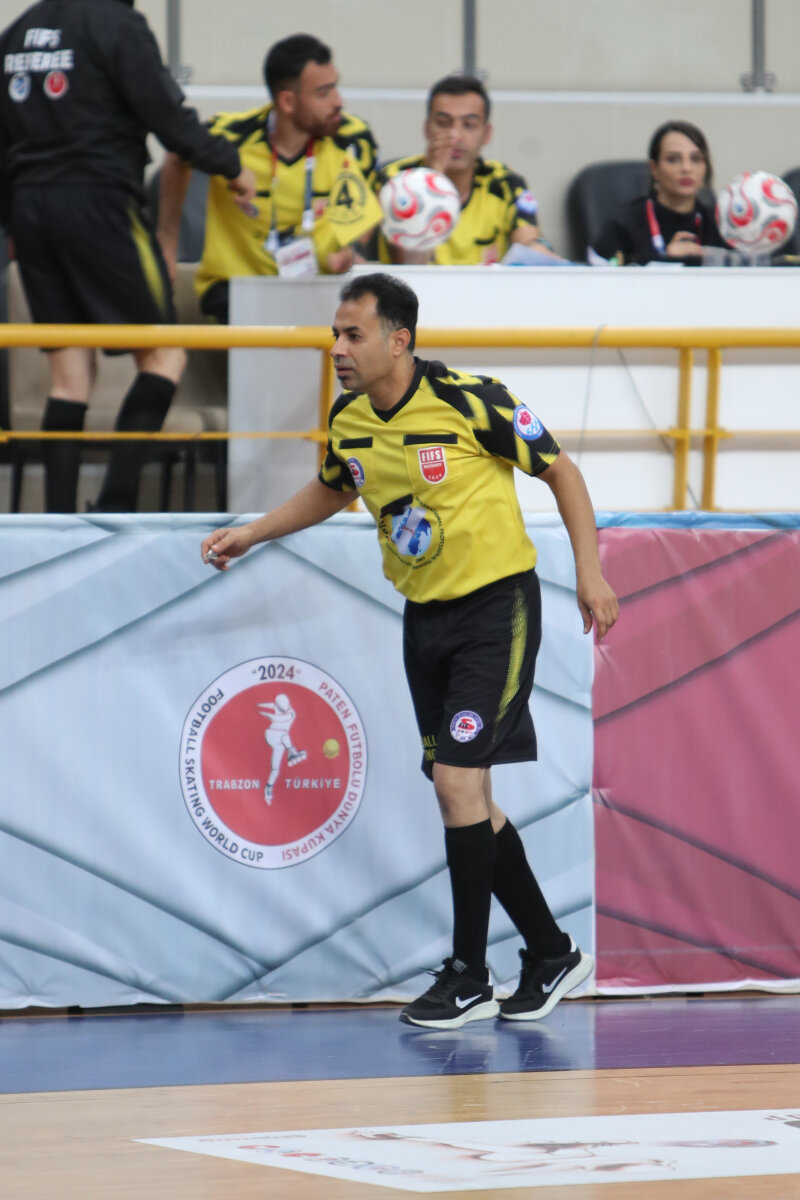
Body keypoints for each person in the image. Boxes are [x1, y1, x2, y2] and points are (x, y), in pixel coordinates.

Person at [201, 272, 619, 1031]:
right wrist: (254, 532)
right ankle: (551, 952)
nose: (337, 349)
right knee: (466, 795)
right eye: (335, 334)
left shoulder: (471, 399)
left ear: (399, 340)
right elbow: (335, 488)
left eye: (352, 334)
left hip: (496, 610)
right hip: (423, 619)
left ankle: (469, 975)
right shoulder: (350, 417)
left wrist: (590, 572)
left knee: (457, 783)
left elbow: (562, 471)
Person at [0, 0, 256, 513]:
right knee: (165, 355)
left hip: (30, 208)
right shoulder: (116, 23)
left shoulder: (17, 33)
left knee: (70, 375)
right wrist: (229, 164)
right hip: (99, 202)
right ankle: (114, 504)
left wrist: (13, 218)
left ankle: (58, 520)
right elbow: (167, 115)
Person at [158, 34, 382, 325]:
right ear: (287, 101)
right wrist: (167, 244)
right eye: (323, 93)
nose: (338, 102)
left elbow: (364, 212)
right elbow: (177, 156)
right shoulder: (232, 136)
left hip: (318, 287)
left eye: (335, 87)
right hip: (237, 288)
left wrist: (349, 252)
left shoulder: (354, 139)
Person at [375, 74, 561, 266]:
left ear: (486, 134)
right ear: (427, 129)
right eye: (443, 123)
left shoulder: (505, 183)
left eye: (469, 125)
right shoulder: (395, 180)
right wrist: (433, 177)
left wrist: (541, 251)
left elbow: (529, 247)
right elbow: (409, 264)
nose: (455, 135)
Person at [591, 120, 727, 265]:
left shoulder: (722, 225)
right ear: (654, 168)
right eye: (673, 159)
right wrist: (665, 261)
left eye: (696, 159)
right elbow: (597, 275)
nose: (686, 168)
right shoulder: (621, 225)